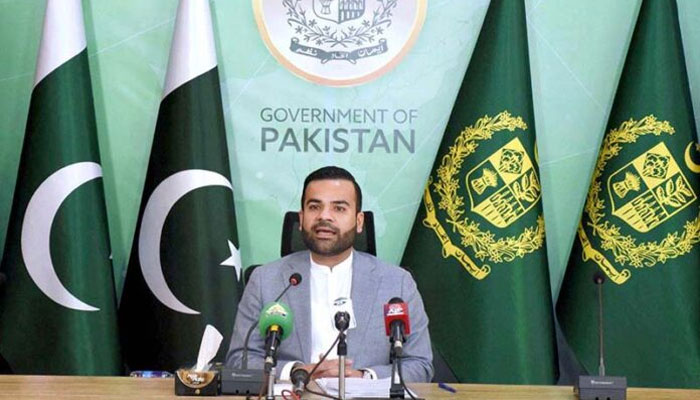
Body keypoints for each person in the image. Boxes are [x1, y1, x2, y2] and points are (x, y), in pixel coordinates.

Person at [225, 166, 433, 382]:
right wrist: (298, 372)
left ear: (359, 221)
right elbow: (239, 359)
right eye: (315, 207)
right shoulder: (265, 280)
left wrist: (365, 377)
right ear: (302, 217)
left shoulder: (397, 283)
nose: (324, 216)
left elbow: (420, 365)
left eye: (339, 208)